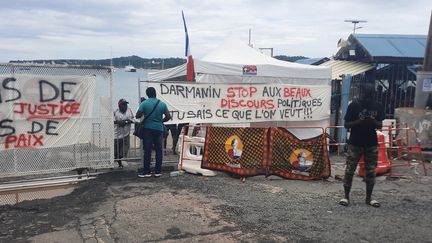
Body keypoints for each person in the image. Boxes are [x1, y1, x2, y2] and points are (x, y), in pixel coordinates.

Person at [339, 83, 385, 207]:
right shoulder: (354, 105)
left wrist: (372, 122)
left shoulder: (378, 106)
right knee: (349, 170)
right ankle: (346, 196)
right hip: (355, 142)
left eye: (369, 95)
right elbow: (346, 125)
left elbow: (380, 125)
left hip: (371, 143)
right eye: (365, 94)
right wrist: (358, 122)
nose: (367, 97)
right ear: (361, 93)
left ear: (372, 94)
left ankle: (368, 198)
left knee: (371, 171)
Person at [135, 87, 172, 177]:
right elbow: (168, 116)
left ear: (147, 94)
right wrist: (160, 121)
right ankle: (158, 171)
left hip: (148, 129)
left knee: (147, 150)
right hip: (159, 129)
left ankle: (146, 172)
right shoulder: (162, 104)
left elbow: (137, 115)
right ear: (155, 93)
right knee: (159, 150)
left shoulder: (144, 103)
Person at [114, 99, 134, 169]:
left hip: (125, 134)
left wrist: (125, 122)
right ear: (119, 105)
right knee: (115, 152)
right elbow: (112, 121)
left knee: (124, 151)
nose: (125, 106)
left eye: (126, 104)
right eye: (123, 104)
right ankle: (119, 163)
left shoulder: (129, 111)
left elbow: (132, 119)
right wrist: (118, 122)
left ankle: (119, 160)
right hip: (116, 135)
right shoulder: (115, 112)